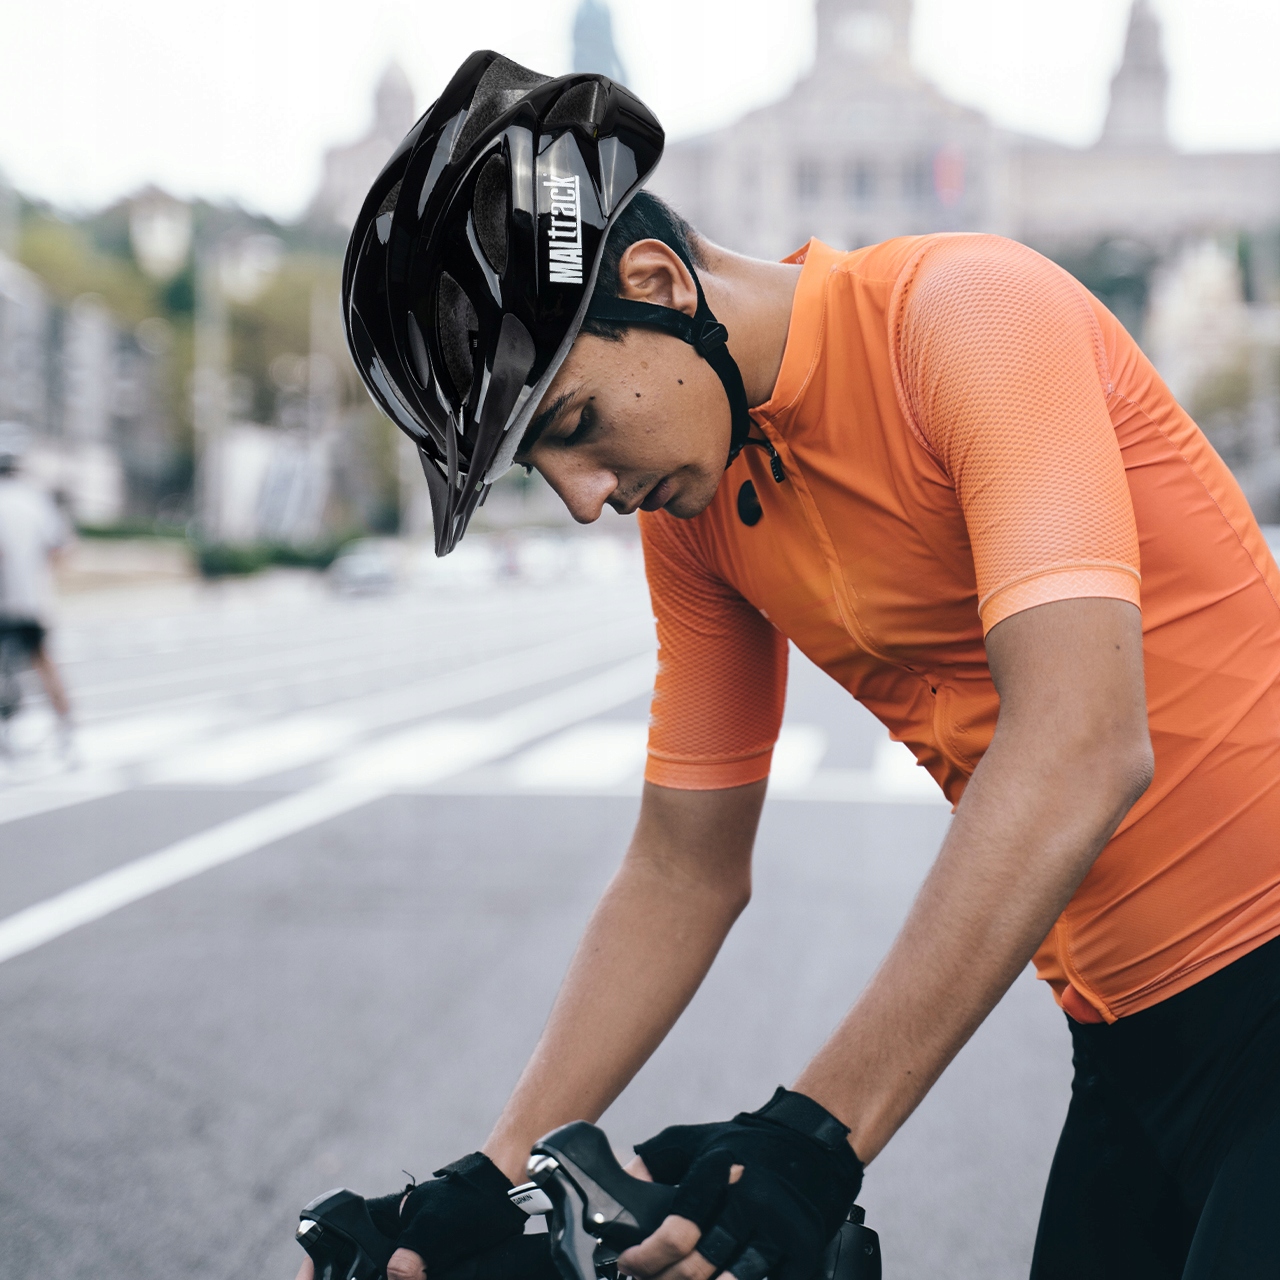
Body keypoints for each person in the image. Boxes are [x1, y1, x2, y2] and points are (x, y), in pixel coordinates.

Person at [315, 51, 1280, 1279]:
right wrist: (486, 1174)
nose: (580, 497)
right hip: (1129, 1045)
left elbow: (1081, 746)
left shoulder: (965, 314)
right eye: (536, 466)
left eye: (571, 425)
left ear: (659, 283)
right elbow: (682, 863)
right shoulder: (696, 510)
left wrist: (809, 1137)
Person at [0, 423, 74, 748]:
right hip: (31, 601)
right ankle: (67, 728)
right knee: (43, 661)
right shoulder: (36, 500)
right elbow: (59, 549)